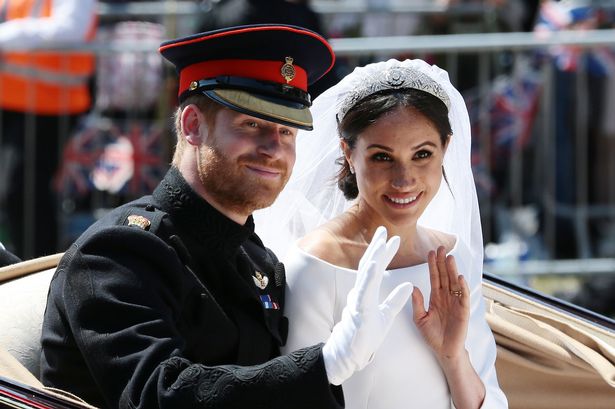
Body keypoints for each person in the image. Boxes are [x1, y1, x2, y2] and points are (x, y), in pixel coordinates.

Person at [40, 25, 414, 409]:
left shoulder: (256, 259)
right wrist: (326, 364)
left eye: (288, 132)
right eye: (251, 124)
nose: (274, 148)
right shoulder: (119, 254)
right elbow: (159, 396)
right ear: (192, 126)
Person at [255, 59, 508, 408]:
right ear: (348, 153)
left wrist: (454, 357)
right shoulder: (315, 265)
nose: (404, 179)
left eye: (422, 154)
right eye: (382, 157)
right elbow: (298, 399)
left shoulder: (452, 256)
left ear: (445, 150)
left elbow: (490, 398)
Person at [0, 0, 97, 259]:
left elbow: (70, 28)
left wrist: (4, 37)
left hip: (49, 105)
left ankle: (36, 272)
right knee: (19, 194)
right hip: (12, 102)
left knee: (25, 193)